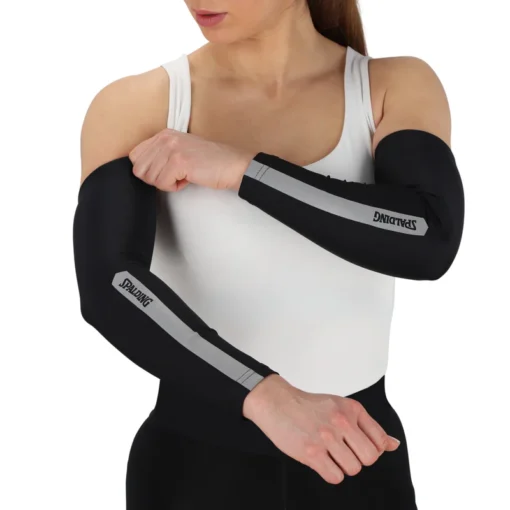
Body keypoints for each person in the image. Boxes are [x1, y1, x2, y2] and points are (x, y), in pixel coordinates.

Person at [73, 1, 464, 509]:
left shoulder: (389, 86)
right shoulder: (143, 103)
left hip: (360, 459)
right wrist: (265, 395)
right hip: (192, 475)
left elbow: (427, 237)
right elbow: (110, 286)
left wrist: (243, 170)